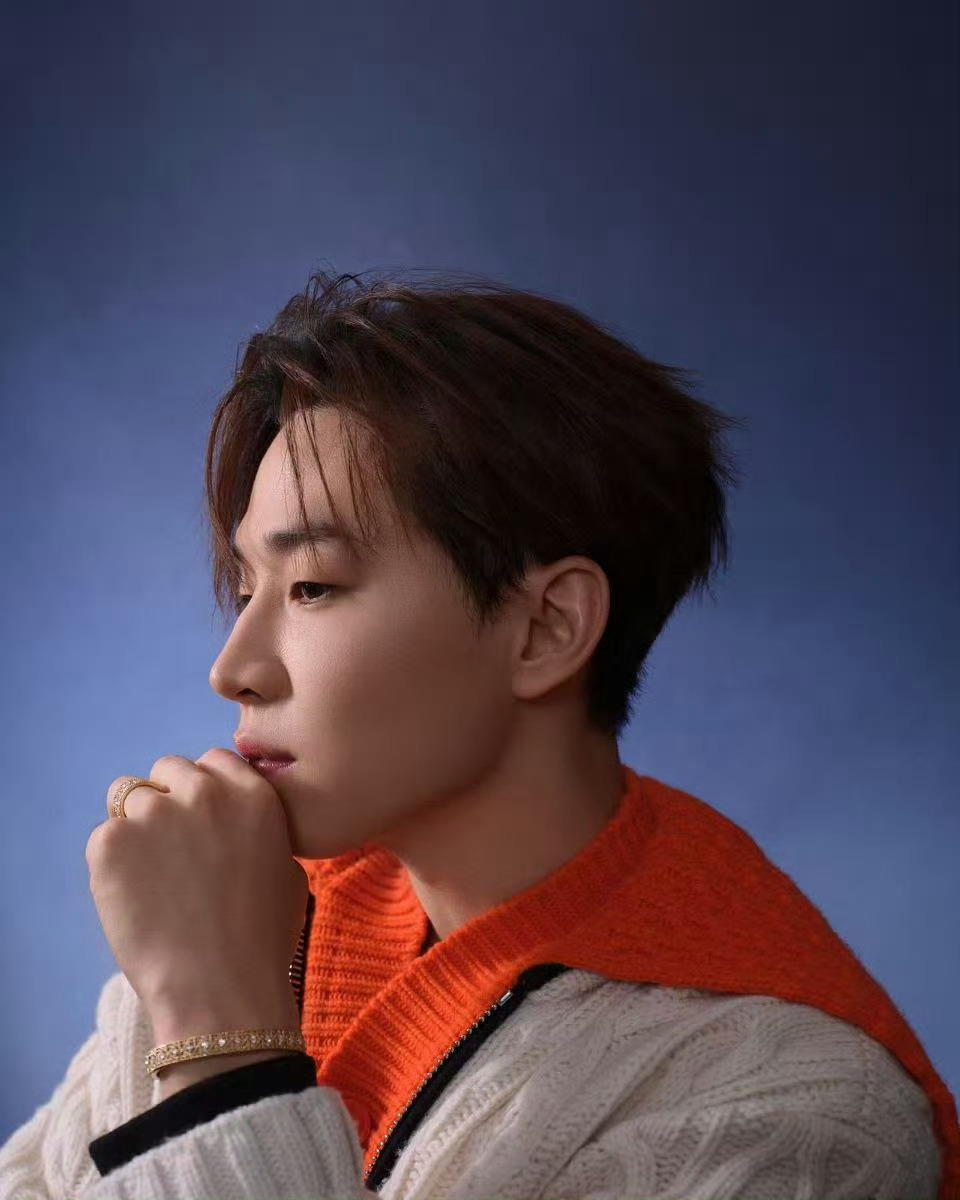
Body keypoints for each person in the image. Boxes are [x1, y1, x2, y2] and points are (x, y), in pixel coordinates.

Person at [1, 269, 954, 1199]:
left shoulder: (806, 1115)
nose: (232, 668)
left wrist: (220, 1033)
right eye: (245, 590)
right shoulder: (239, 909)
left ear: (546, 628)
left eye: (313, 587)